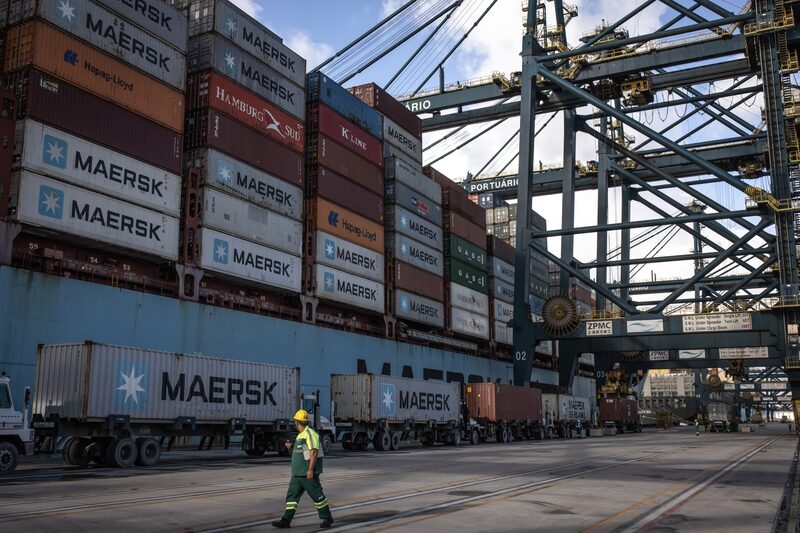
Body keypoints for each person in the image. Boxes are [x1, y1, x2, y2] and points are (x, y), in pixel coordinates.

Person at [272, 410, 334, 529]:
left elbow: (314, 452)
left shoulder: (310, 434)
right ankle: (286, 520)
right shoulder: (300, 435)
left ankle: (327, 518)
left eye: (295, 421)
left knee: (317, 496)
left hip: (306, 473)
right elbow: (301, 453)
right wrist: (290, 447)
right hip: (297, 474)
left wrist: (310, 470)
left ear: (298, 422)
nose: (295, 423)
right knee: (291, 498)